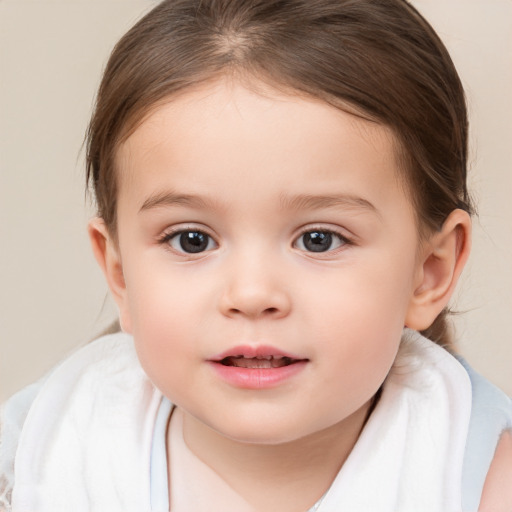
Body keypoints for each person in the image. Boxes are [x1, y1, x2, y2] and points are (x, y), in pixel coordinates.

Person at [1, 0, 511, 510]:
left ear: (429, 272)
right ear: (120, 274)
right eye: (191, 240)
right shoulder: (40, 456)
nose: (251, 294)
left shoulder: (478, 479)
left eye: (319, 239)